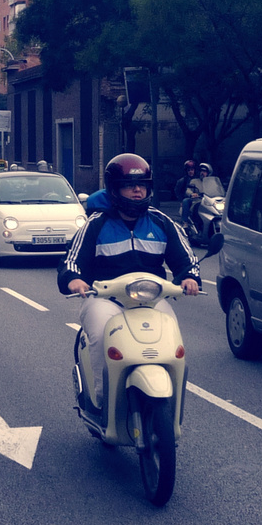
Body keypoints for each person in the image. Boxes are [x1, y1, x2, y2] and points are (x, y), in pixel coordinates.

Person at [61, 155, 200, 402]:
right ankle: (102, 399)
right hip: (106, 299)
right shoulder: (96, 224)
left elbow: (186, 259)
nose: (137, 191)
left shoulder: (162, 222)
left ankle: (172, 402)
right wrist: (74, 278)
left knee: (172, 340)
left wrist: (190, 277)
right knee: (103, 335)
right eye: (129, 185)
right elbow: (72, 261)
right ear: (114, 189)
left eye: (142, 185)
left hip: (152, 299)